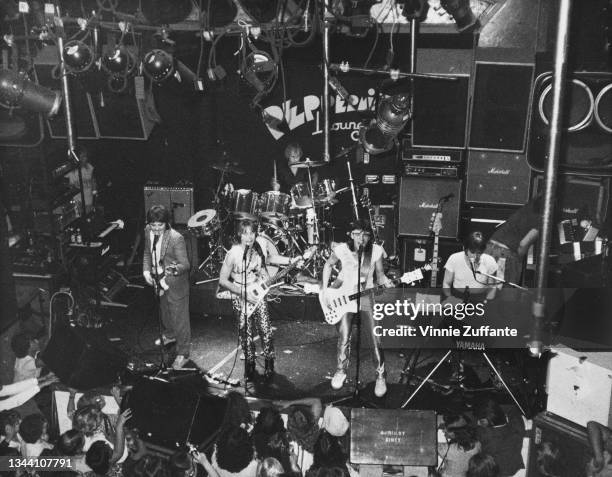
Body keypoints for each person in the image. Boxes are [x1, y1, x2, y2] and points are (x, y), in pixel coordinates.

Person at [321, 219, 392, 397]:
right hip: (345, 297)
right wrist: (324, 290)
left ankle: (381, 376)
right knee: (344, 335)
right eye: (357, 234)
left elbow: (381, 276)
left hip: (366, 295)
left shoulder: (375, 251)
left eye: (365, 234)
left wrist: (388, 283)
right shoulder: (342, 250)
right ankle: (340, 370)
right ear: (351, 235)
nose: (361, 238)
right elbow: (328, 265)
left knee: (375, 336)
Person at [218, 220, 275, 381]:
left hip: (257, 294)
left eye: (252, 233)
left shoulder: (258, 249)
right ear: (239, 235)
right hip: (240, 295)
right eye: (245, 233)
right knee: (245, 333)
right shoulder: (233, 253)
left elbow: (263, 272)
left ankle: (269, 362)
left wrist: (265, 282)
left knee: (265, 330)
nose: (249, 237)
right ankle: (249, 364)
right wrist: (242, 293)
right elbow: (223, 280)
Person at [142, 205, 191, 370]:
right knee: (165, 313)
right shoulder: (147, 230)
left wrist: (169, 272)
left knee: (180, 320)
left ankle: (183, 353)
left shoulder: (176, 238)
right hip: (158, 280)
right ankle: (170, 335)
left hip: (175, 283)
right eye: (153, 225)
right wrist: (146, 271)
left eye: (160, 225)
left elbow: (185, 264)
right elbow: (147, 253)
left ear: (166, 223)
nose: (156, 228)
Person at [485, 195, 543, 287]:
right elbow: (523, 244)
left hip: (490, 248)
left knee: (489, 291)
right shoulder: (541, 221)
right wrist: (518, 260)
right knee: (503, 295)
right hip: (504, 254)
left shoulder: (529, 207)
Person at [442, 231, 498, 305]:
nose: (476, 256)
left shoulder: (490, 261)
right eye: (472, 252)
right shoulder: (454, 258)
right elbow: (446, 283)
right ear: (465, 248)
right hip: (457, 297)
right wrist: (450, 298)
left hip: (480, 299)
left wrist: (487, 302)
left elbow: (492, 287)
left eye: (479, 253)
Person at [65, 146, 97, 215]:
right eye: (82, 156)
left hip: (89, 199)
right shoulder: (71, 170)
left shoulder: (89, 167)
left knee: (89, 218)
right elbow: (64, 184)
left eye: (85, 156)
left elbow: (93, 181)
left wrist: (95, 194)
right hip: (76, 201)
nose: (84, 158)